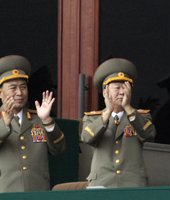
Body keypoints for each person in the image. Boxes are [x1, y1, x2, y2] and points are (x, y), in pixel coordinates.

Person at [81, 58, 157, 188]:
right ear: (105, 91)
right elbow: (86, 138)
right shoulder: (92, 118)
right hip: (102, 182)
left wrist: (128, 108)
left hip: (132, 184)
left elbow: (149, 134)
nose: (122, 92)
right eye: (117, 88)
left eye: (125, 88)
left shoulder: (140, 116)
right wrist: (107, 112)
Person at [0, 55, 65, 192]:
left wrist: (47, 121)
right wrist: (5, 123)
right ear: (1, 93)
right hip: (6, 192)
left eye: (23, 87)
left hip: (37, 192)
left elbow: (59, 149)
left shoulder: (37, 118)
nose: (19, 93)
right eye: (13, 88)